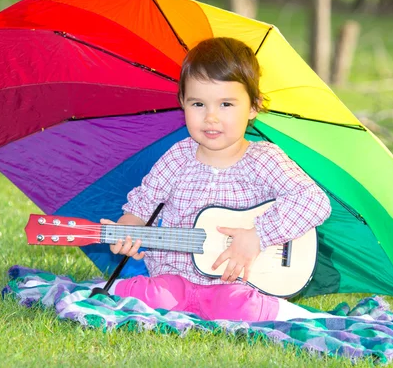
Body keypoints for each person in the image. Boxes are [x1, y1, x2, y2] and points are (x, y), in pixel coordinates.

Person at [99, 37, 332, 322]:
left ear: (253, 107)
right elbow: (142, 204)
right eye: (198, 103)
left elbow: (314, 201)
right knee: (141, 296)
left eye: (226, 104)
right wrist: (127, 230)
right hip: (174, 280)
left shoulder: (263, 159)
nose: (210, 117)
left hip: (234, 283)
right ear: (182, 103)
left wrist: (258, 236)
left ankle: (279, 311)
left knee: (238, 307)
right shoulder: (178, 157)